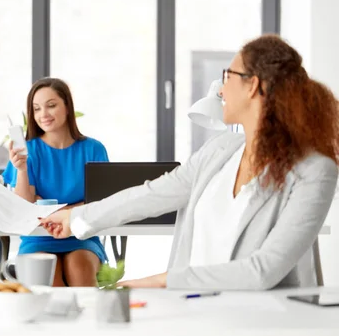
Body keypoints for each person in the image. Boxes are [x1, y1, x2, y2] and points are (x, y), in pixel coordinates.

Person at [40, 34, 339, 290]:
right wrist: (76, 219)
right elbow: (152, 194)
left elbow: (263, 270)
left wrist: (162, 281)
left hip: (260, 322)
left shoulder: (314, 171)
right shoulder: (220, 150)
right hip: (192, 310)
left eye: (228, 76)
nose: (221, 89)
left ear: (252, 86)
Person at [3, 77, 109, 287]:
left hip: (80, 234)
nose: (44, 114)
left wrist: (60, 211)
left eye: (51, 105)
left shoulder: (94, 149)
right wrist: (22, 170)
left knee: (79, 270)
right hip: (38, 237)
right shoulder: (29, 150)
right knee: (49, 282)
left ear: (67, 107)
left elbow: (100, 201)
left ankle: (89, 320)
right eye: (37, 109)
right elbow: (25, 206)